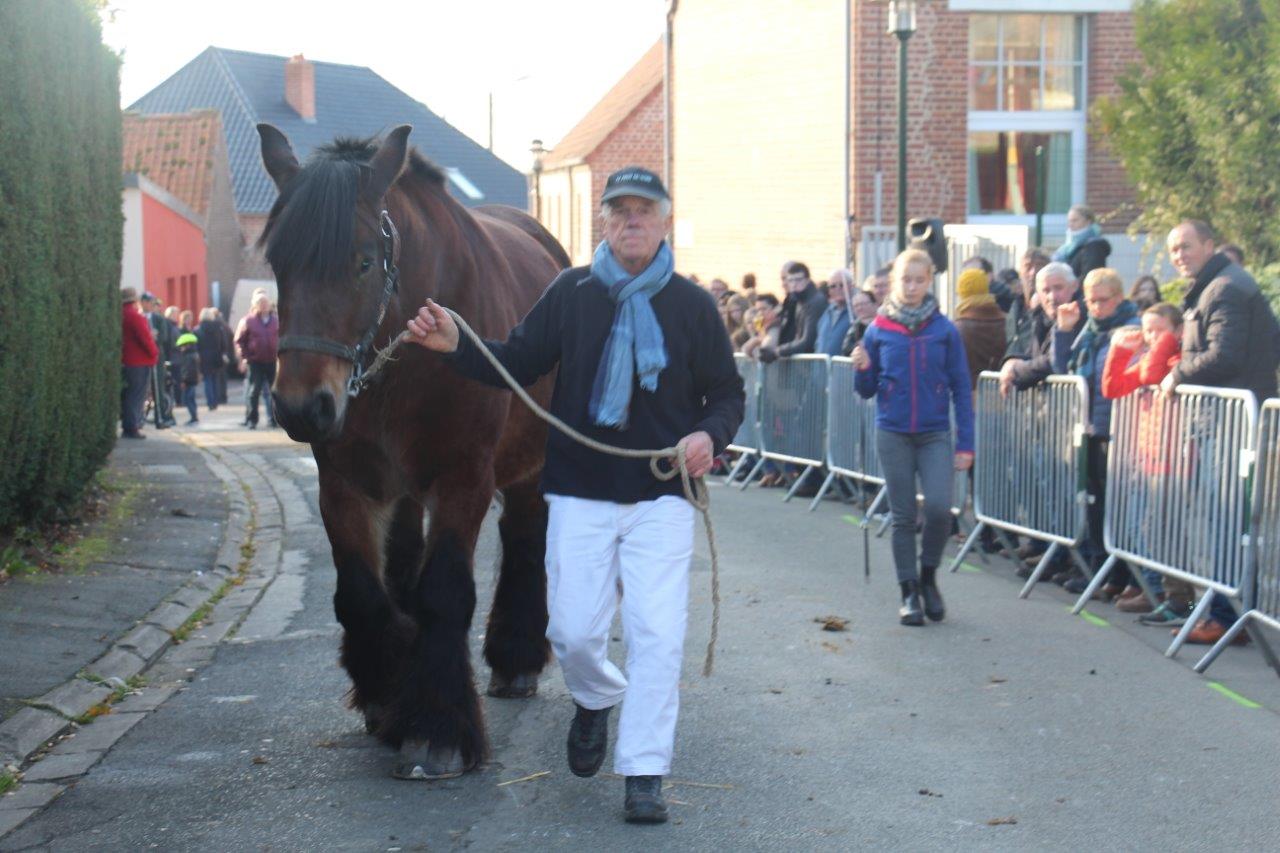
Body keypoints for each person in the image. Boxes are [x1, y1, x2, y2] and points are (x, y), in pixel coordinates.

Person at [404, 166, 743, 824]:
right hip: (581, 493)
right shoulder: (571, 293)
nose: (632, 221)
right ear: (605, 223)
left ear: (665, 220)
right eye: (620, 211)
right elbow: (515, 360)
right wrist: (456, 343)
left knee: (657, 634)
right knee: (574, 631)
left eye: (645, 210)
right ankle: (594, 697)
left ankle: (644, 771)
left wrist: (709, 432)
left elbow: (728, 392)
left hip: (663, 495)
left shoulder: (693, 306)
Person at [1161, 220, 1280, 645]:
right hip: (1225, 423)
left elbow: (1223, 356)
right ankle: (1227, 613)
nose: (1179, 255)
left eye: (1186, 246)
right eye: (1173, 248)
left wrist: (1177, 374)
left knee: (1225, 524)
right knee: (1223, 522)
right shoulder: (1219, 286)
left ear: (1209, 245)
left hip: (1232, 426)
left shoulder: (1226, 288)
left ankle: (1227, 616)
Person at [851, 248, 974, 626]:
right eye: (906, 280)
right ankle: (908, 592)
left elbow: (961, 387)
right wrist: (863, 367)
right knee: (904, 515)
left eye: (920, 280)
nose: (912, 287)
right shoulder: (878, 329)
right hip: (892, 431)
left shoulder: (944, 329)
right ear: (894, 282)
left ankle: (928, 577)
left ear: (930, 280)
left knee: (939, 508)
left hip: (935, 432)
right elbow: (867, 390)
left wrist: (966, 444)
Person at [1052, 269, 1140, 595]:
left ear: (1119, 297)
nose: (1097, 307)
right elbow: (1063, 370)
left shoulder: (1132, 329)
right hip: (1088, 427)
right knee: (1092, 502)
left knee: (1115, 506)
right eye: (1092, 300)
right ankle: (1096, 568)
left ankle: (1120, 577)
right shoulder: (1086, 331)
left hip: (1117, 429)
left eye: (1104, 300)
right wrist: (1063, 332)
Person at [1101, 302, 1184, 616]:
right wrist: (1120, 350)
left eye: (1157, 330)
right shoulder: (1154, 355)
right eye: (1147, 330)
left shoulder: (1173, 358)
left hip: (1174, 461)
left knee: (1166, 534)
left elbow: (1152, 373)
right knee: (1147, 530)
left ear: (1177, 332)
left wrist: (1166, 341)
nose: (1149, 337)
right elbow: (1113, 387)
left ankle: (1177, 601)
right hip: (1148, 457)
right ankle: (1162, 594)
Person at [759, 261, 825, 362]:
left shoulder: (815, 302)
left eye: (798, 280)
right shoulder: (798, 301)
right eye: (790, 280)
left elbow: (808, 340)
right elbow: (797, 337)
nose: (794, 285)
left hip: (813, 363)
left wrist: (778, 351)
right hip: (803, 364)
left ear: (807, 280)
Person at [952, 267, 1007, 390]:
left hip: (969, 399)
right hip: (1005, 398)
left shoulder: (957, 329)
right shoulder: (1007, 322)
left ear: (961, 293)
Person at [235, 293, 280, 429]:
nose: (264, 305)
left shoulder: (276, 320)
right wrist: (245, 357)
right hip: (255, 362)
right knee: (254, 391)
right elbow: (239, 341)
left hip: (272, 361)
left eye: (266, 302)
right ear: (255, 305)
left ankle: (274, 419)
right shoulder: (248, 321)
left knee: (274, 392)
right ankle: (252, 419)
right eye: (261, 303)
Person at [120, 288, 158, 439]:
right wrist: (154, 353)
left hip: (127, 360)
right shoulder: (135, 316)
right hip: (139, 362)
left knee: (130, 395)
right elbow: (145, 338)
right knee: (136, 395)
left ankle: (129, 425)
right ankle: (132, 426)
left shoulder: (121, 315)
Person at [140, 292, 177, 427]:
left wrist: (151, 337)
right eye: (149, 302)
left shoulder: (159, 319)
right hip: (141, 357)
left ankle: (160, 417)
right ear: (143, 302)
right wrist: (150, 335)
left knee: (158, 388)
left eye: (153, 302)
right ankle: (140, 419)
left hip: (156, 357)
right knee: (141, 389)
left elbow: (163, 338)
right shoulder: (139, 317)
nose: (152, 305)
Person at [1054, 204, 1111, 282]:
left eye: (1075, 220)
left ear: (1088, 222)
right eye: (1069, 221)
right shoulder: (1068, 248)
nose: (1070, 224)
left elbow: (1090, 278)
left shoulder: (1095, 246)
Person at [196, 307, 228, 411]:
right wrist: (223, 352)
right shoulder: (218, 328)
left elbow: (197, 345)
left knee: (208, 380)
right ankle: (215, 402)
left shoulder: (198, 329)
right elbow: (224, 342)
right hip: (216, 356)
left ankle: (210, 402)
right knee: (215, 379)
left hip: (204, 357)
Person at [815, 269, 853, 356]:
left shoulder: (856, 311)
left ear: (851, 286)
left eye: (842, 285)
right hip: (823, 368)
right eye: (833, 286)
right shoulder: (826, 313)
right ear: (829, 290)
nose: (838, 289)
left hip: (845, 368)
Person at [174, 331, 201, 425]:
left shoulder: (188, 357)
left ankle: (194, 417)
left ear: (187, 345)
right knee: (191, 399)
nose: (181, 349)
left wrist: (184, 381)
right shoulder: (194, 355)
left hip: (189, 381)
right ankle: (194, 416)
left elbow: (187, 370)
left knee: (188, 399)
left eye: (182, 346)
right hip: (192, 380)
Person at [840, 288, 877, 355]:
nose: (859, 308)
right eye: (856, 306)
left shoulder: (882, 325)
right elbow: (846, 349)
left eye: (863, 304)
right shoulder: (855, 327)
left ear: (874, 304)